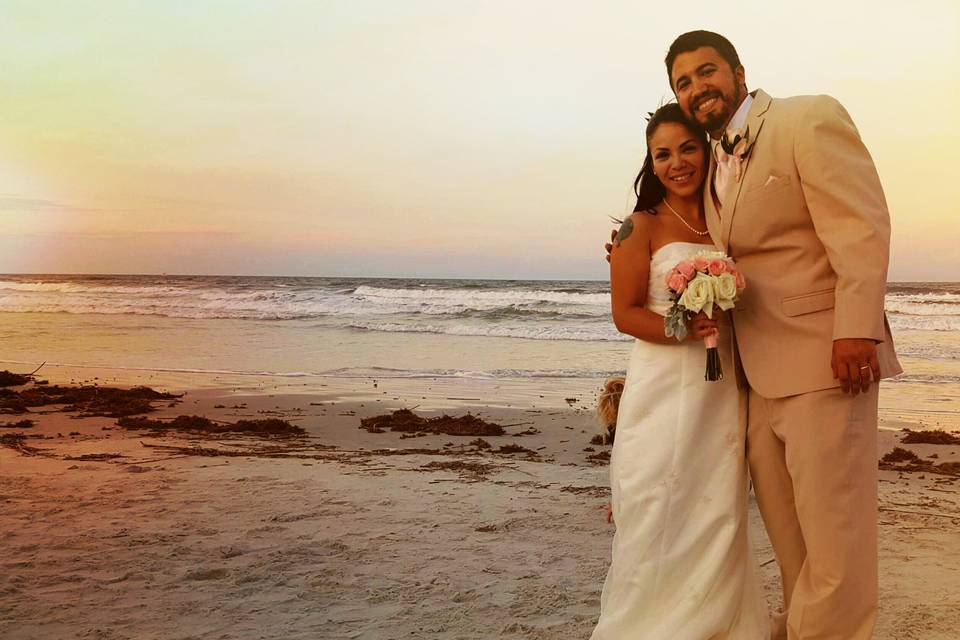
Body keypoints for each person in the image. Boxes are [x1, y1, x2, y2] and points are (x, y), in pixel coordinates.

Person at [605, 31, 902, 639]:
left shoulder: (804, 119)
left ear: (738, 70)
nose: (697, 88)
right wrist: (632, 245)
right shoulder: (716, 167)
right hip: (750, 382)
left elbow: (860, 228)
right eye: (682, 83)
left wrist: (856, 333)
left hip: (824, 363)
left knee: (835, 541)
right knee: (790, 541)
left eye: (705, 71)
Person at [591, 102, 769, 639]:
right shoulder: (637, 226)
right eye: (662, 153)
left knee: (715, 504)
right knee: (655, 499)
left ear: (706, 149)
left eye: (687, 148)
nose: (677, 162)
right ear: (650, 162)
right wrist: (682, 328)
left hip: (722, 387)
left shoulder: (726, 217)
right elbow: (624, 314)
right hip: (663, 385)